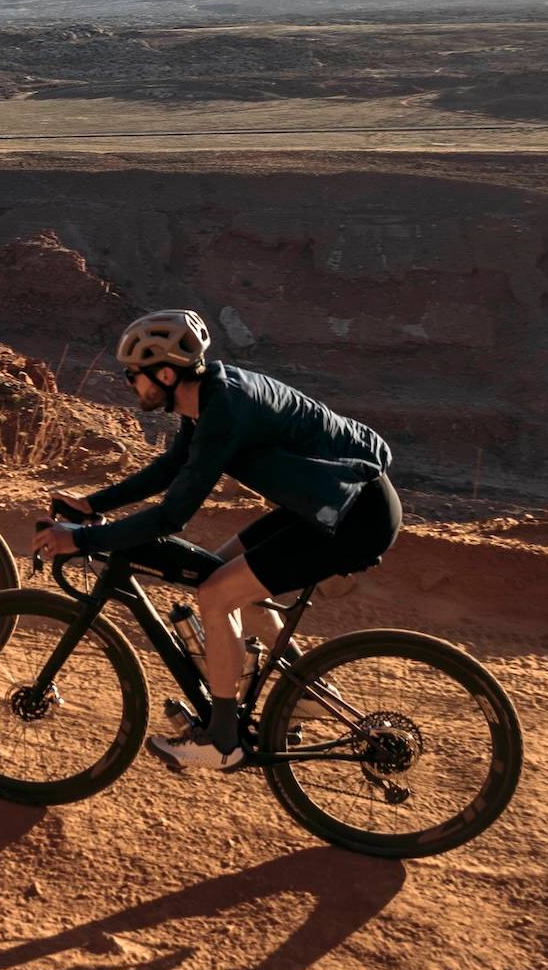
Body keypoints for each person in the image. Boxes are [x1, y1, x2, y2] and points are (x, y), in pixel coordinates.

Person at [33, 309, 401, 773]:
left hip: (353, 517)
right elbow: (170, 469)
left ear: (165, 374)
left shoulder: (224, 411)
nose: (130, 384)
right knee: (218, 573)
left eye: (133, 375)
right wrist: (92, 504)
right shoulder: (207, 397)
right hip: (330, 503)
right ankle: (304, 695)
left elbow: (173, 515)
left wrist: (84, 541)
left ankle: (224, 741)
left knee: (215, 593)